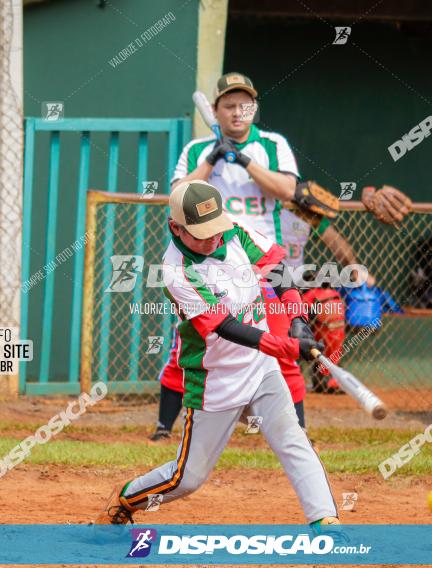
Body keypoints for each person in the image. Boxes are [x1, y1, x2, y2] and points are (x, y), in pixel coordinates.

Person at [149, 72, 410, 440]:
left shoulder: (272, 145)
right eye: (228, 105)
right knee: (190, 347)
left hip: (262, 263)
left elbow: (289, 189)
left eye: (245, 105)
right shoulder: (196, 149)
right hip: (209, 262)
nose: (237, 112)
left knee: (285, 350)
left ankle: (297, 431)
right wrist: (212, 159)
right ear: (217, 110)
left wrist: (243, 161)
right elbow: (179, 196)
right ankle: (164, 427)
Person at [98, 180, 339, 529]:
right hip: (216, 381)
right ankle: (125, 500)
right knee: (188, 478)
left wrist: (298, 318)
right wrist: (287, 346)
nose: (212, 238)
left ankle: (326, 525)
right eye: (201, 233)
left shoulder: (233, 232)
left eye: (216, 229)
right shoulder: (176, 271)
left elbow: (277, 271)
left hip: (260, 370)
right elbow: (226, 328)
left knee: (294, 439)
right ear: (175, 228)